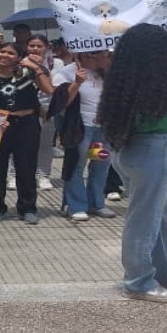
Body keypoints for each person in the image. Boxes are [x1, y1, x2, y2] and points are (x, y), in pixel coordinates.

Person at [98, 24, 167, 303]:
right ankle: (138, 280)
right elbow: (148, 122)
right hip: (150, 150)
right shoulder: (148, 79)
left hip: (130, 151)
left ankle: (163, 272)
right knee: (145, 221)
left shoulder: (126, 76)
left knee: (159, 218)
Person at [0, 42, 53, 224]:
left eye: (10, 53)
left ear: (19, 57)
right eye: (2, 51)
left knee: (26, 168)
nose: (4, 55)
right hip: (1, 126)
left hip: (27, 124)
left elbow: (49, 89)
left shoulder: (28, 74)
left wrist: (34, 67)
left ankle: (27, 208)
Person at [53, 50, 115, 222]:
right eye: (105, 55)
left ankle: (96, 202)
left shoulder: (105, 73)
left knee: (101, 163)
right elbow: (61, 102)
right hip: (79, 127)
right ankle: (75, 205)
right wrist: (77, 82)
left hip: (101, 127)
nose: (108, 58)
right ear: (89, 55)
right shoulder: (66, 73)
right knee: (76, 164)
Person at [24, 34, 63, 192]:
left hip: (48, 108)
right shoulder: (21, 62)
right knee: (23, 144)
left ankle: (43, 175)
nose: (35, 49)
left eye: (39, 46)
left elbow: (53, 85)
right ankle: (15, 174)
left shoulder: (56, 63)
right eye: (32, 45)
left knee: (45, 144)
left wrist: (40, 67)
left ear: (47, 47)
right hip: (27, 109)